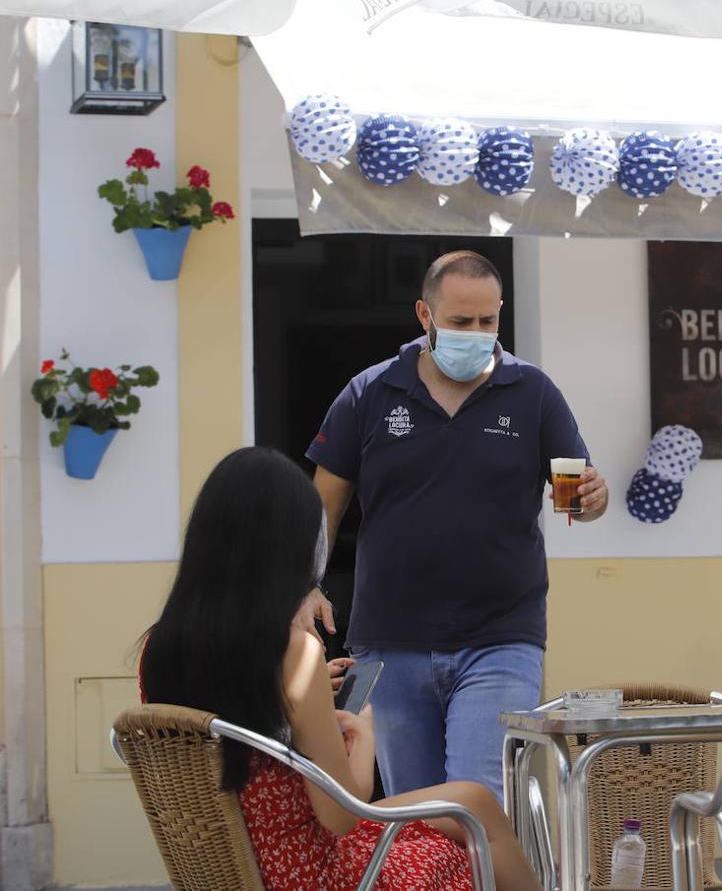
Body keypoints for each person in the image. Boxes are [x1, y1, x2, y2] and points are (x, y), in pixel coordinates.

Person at [139, 447, 542, 890]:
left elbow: (243, 729)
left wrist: (302, 700)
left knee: (473, 799)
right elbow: (341, 815)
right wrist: (364, 733)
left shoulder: (160, 645)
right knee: (474, 821)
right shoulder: (294, 650)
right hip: (313, 871)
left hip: (236, 863)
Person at [294, 250, 608, 802]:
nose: (477, 333)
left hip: (501, 638)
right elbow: (323, 505)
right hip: (390, 642)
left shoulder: (533, 393)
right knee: (415, 814)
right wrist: (306, 583)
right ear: (425, 315)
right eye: (461, 322)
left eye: (488, 321)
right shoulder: (369, 393)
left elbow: (577, 500)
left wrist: (592, 499)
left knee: (476, 799)